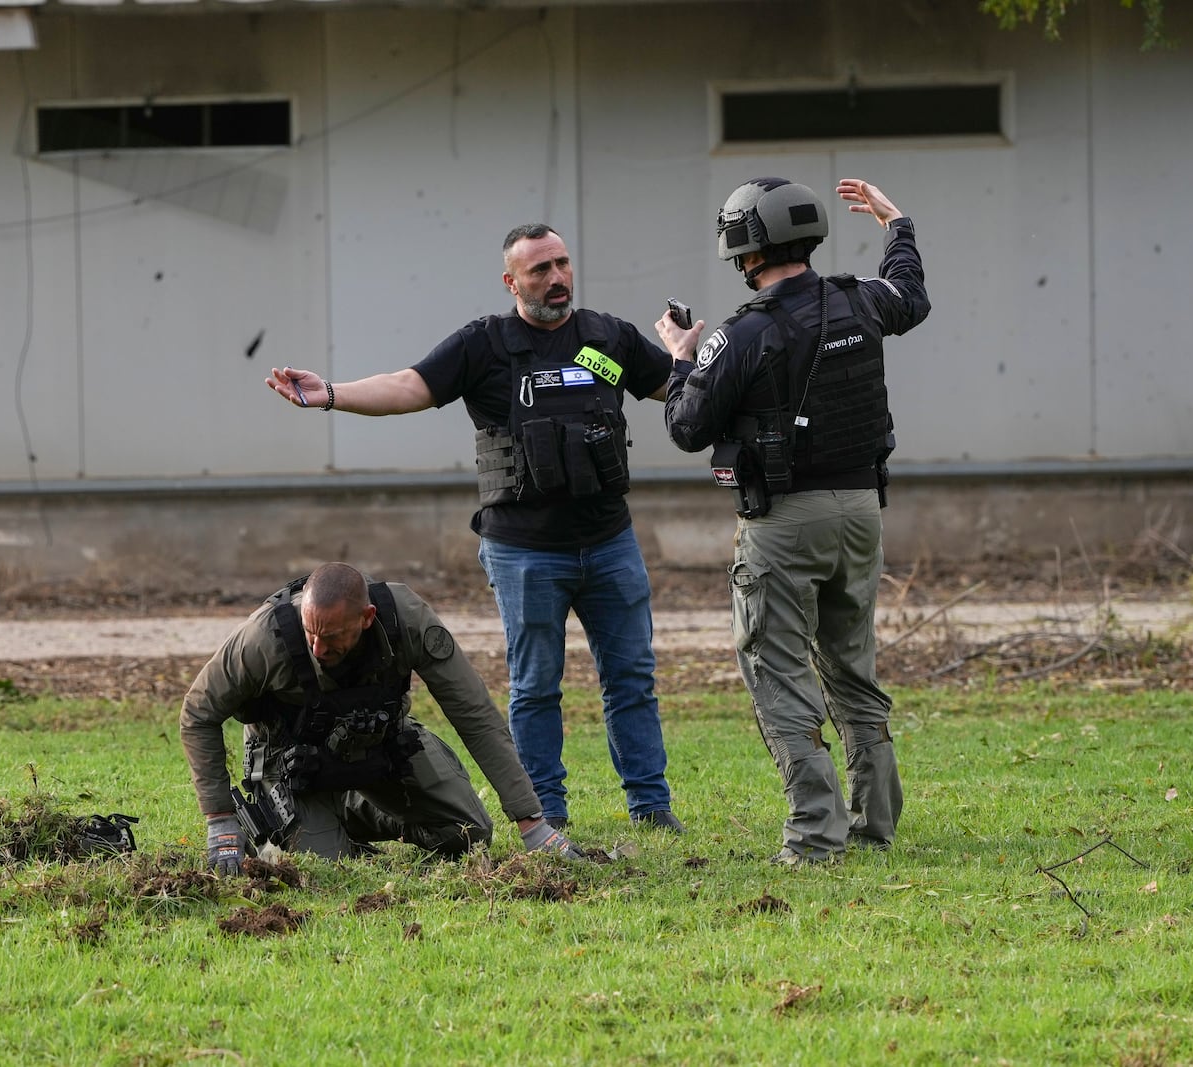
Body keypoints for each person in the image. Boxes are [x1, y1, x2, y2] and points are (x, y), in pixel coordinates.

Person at [263, 226, 683, 834]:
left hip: (610, 542)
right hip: (524, 552)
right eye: (540, 269)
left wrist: (689, 353)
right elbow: (409, 386)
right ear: (513, 282)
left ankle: (651, 807)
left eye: (562, 264)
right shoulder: (485, 345)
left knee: (632, 679)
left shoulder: (607, 337)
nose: (556, 278)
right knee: (537, 686)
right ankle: (545, 813)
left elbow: (675, 389)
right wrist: (331, 394)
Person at [656, 177, 930, 867]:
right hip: (862, 512)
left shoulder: (745, 333)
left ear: (744, 248)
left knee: (778, 672)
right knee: (852, 667)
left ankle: (814, 834)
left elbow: (688, 428)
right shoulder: (860, 300)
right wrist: (898, 225)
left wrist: (681, 358)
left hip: (784, 522)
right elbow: (911, 295)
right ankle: (876, 822)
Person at [180, 562, 582, 871]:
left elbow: (473, 712)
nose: (318, 648)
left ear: (366, 618)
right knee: (328, 868)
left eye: (333, 636)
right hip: (292, 766)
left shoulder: (405, 620)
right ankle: (312, 818)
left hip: (376, 745)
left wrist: (532, 821)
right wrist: (219, 819)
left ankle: (350, 809)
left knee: (468, 833)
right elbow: (198, 711)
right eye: (311, 634)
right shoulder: (263, 638)